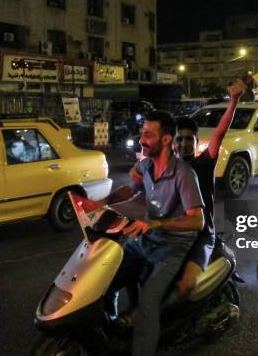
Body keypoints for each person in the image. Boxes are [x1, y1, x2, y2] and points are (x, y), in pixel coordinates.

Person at [130, 78, 249, 298]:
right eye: (179, 139)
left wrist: (233, 101)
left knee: (184, 287)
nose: (184, 144)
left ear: (196, 141)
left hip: (201, 234)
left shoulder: (204, 162)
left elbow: (220, 133)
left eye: (189, 139)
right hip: (169, 233)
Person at [100, 110, 205, 356]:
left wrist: (157, 224)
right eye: (142, 133)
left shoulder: (184, 174)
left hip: (171, 248)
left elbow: (197, 221)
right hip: (145, 239)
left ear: (166, 139)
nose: (141, 140)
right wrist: (103, 203)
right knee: (104, 279)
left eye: (148, 135)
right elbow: (130, 189)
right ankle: (115, 327)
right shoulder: (146, 165)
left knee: (148, 304)